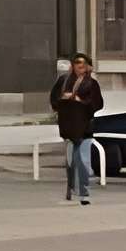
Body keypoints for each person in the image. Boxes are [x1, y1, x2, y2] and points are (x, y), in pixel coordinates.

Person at [50, 52, 104, 204]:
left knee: (83, 160)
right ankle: (71, 188)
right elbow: (54, 98)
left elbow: (97, 103)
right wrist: (63, 100)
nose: (80, 67)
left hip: (85, 126)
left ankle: (84, 192)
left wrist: (80, 100)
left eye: (83, 64)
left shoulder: (91, 83)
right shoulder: (63, 81)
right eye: (77, 64)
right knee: (70, 160)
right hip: (68, 125)